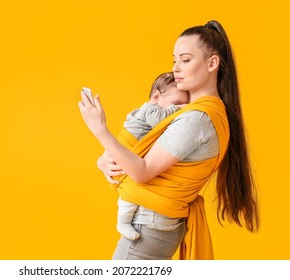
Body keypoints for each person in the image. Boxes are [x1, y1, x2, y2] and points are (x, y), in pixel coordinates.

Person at [78, 20, 259, 260]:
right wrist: (105, 161)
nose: (176, 68)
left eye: (185, 60)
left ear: (212, 63)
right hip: (156, 225)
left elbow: (142, 171)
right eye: (175, 60)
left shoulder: (197, 119)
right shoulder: (202, 113)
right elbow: (139, 152)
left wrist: (100, 130)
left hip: (147, 228)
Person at [115, 72, 188, 240]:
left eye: (185, 104)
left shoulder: (155, 108)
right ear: (156, 96)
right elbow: (159, 120)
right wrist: (179, 109)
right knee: (131, 193)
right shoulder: (150, 109)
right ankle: (123, 222)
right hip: (129, 149)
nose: (182, 107)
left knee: (135, 189)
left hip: (133, 155)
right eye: (177, 103)